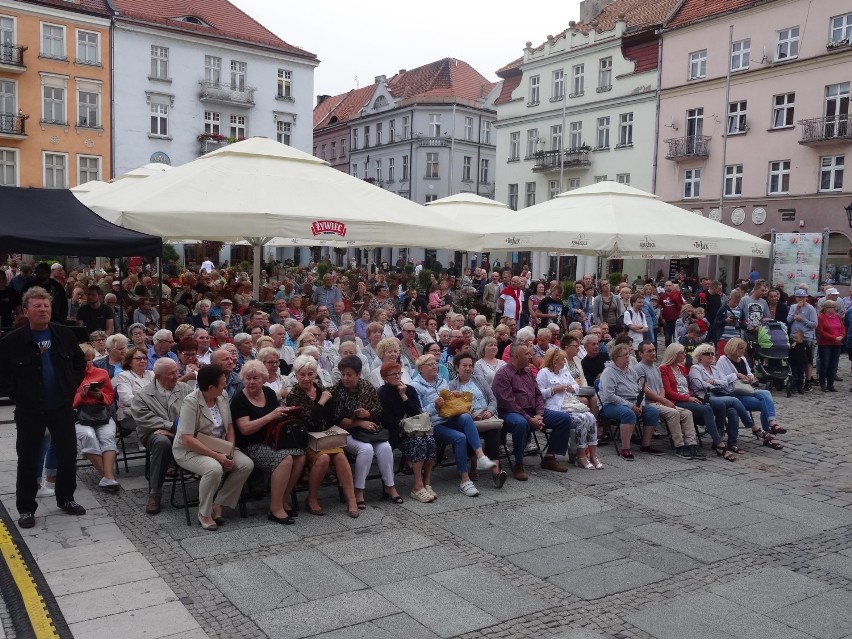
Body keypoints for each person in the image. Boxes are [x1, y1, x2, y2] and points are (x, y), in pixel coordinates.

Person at [0, 287, 87, 527]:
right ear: (26, 311)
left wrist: (71, 385)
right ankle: (26, 507)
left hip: (61, 406)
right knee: (27, 458)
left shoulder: (63, 334)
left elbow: (80, 362)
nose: (43, 310)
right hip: (30, 410)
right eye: (37, 306)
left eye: (46, 306)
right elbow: (3, 375)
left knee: (68, 454)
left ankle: (66, 498)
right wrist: (17, 393)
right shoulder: (12, 341)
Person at [173, 364, 254, 531]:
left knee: (246, 464)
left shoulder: (222, 395)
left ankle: (219, 503)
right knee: (214, 469)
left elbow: (230, 426)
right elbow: (187, 438)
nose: (225, 385)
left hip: (219, 445)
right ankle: (204, 513)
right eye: (223, 383)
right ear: (211, 387)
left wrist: (229, 451)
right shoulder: (191, 402)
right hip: (190, 450)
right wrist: (218, 457)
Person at [231, 361, 306, 525]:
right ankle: (275, 508)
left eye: (255, 378)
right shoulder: (239, 400)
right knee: (285, 458)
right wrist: (270, 416)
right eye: (248, 378)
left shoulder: (269, 393)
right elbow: (245, 429)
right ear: (243, 379)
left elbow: (277, 417)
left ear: (263, 379)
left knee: (300, 456)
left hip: (273, 439)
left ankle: (283, 499)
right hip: (251, 445)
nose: (251, 382)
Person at [412, 354, 496, 496]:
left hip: (448, 418)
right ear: (421, 369)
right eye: (430, 364)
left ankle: (481, 456)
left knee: (465, 417)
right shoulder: (415, 386)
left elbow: (448, 406)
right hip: (432, 425)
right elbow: (417, 413)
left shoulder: (442, 381)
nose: (435, 366)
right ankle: (465, 480)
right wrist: (434, 405)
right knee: (460, 437)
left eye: (435, 363)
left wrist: (453, 395)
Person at [285, 355, 359, 517]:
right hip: (306, 439)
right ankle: (312, 498)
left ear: (315, 374)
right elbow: (310, 420)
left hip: (325, 437)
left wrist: (324, 402)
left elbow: (331, 417)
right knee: (324, 458)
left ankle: (352, 499)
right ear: (296, 375)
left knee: (339, 456)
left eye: (310, 374)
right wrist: (322, 401)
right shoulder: (294, 395)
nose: (306, 378)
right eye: (302, 374)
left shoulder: (320, 390)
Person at [328, 356, 402, 507]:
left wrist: (367, 414)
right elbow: (336, 420)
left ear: (358, 374)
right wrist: (359, 422)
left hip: (368, 431)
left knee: (385, 447)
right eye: (343, 374)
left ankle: (390, 486)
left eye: (349, 374)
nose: (345, 378)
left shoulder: (367, 387)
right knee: (366, 450)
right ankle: (359, 490)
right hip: (345, 433)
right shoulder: (337, 391)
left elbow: (378, 411)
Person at [492, 342, 574, 479]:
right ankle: (519, 464)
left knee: (564, 419)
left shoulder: (528, 372)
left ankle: (549, 457)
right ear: (517, 356)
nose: (530, 356)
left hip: (533, 412)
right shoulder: (503, 374)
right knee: (521, 424)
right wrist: (530, 419)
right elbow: (509, 402)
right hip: (510, 413)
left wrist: (540, 414)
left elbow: (538, 394)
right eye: (526, 354)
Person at [130, 358, 190, 514]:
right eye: (171, 373)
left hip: (182, 431)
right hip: (153, 433)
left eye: (177, 371)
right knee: (162, 442)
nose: (176, 375)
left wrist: (175, 430)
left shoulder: (184, 389)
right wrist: (171, 427)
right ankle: (155, 492)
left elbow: (194, 412)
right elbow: (145, 420)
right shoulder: (143, 395)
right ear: (158, 376)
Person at [660, 343, 732, 460]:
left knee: (719, 406)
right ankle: (719, 443)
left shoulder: (681, 368)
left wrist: (693, 396)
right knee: (707, 409)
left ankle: (719, 438)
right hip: (676, 400)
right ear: (674, 354)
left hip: (688, 398)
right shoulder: (664, 369)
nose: (684, 355)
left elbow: (687, 388)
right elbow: (668, 392)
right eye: (682, 353)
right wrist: (688, 398)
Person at [377, 361, 437, 503]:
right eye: (393, 374)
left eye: (399, 373)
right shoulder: (382, 393)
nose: (397, 376)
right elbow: (386, 420)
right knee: (417, 441)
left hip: (416, 428)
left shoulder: (409, 390)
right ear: (385, 377)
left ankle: (426, 483)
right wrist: (403, 424)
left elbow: (417, 412)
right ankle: (417, 486)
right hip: (395, 432)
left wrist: (404, 397)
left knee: (430, 439)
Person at [634, 341, 703, 460]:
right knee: (673, 413)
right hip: (648, 402)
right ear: (640, 354)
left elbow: (662, 387)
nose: (653, 353)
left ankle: (691, 444)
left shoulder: (655, 367)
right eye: (649, 351)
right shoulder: (639, 368)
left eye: (654, 350)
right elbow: (644, 389)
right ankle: (679, 446)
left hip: (659, 401)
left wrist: (662, 398)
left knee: (687, 413)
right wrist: (662, 400)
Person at [450, 352, 508, 488]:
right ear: (457, 368)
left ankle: (495, 471)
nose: (468, 368)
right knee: (470, 427)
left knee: (493, 429)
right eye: (464, 365)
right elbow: (455, 408)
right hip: (469, 418)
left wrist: (489, 411)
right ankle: (474, 465)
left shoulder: (479, 380)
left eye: (470, 365)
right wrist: (471, 415)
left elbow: (492, 399)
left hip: (486, 415)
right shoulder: (452, 386)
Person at [536, 348, 600, 469]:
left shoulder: (564, 370)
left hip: (570, 402)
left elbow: (575, 385)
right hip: (555, 406)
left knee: (591, 417)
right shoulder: (543, 373)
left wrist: (572, 388)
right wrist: (554, 390)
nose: (564, 363)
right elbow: (538, 393)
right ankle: (580, 455)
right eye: (561, 360)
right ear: (554, 361)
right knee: (581, 419)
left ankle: (593, 455)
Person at [688, 343, 755, 456]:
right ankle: (752, 426)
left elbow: (724, 382)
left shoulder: (714, 368)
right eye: (706, 353)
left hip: (718, 395)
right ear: (700, 356)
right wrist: (714, 385)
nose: (710, 355)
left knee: (733, 412)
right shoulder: (696, 368)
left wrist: (713, 382)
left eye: (712, 353)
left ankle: (732, 442)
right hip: (705, 397)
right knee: (734, 401)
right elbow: (699, 384)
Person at [598, 342, 662, 461]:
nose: (628, 358)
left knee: (652, 411)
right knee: (628, 413)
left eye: (628, 354)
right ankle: (625, 448)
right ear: (617, 357)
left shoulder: (631, 371)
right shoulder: (609, 372)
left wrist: (641, 404)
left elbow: (640, 390)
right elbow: (609, 395)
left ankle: (646, 445)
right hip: (611, 404)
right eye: (625, 355)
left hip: (633, 402)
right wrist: (631, 406)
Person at [717, 338, 786, 445]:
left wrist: (750, 377)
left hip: (746, 390)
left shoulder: (743, 360)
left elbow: (749, 373)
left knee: (766, 394)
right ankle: (770, 434)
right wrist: (736, 375)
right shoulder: (722, 361)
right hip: (734, 394)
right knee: (766, 403)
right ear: (732, 348)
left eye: (743, 349)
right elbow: (720, 381)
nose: (742, 351)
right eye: (739, 349)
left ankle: (771, 425)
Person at [74, 343, 120, 492]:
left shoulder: (101, 373)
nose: (88, 363)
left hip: (101, 414)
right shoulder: (71, 375)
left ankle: (108, 478)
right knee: (88, 436)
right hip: (80, 416)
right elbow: (70, 403)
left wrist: (99, 395)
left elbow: (110, 398)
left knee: (107, 436)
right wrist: (82, 395)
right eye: (84, 360)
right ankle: (108, 477)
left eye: (90, 360)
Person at [114, 346, 155, 434]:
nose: (143, 361)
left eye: (144, 358)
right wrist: (151, 401)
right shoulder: (124, 376)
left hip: (153, 411)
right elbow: (127, 399)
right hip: (130, 416)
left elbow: (160, 393)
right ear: (129, 362)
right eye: (138, 359)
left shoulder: (151, 374)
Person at [816, 299, 845, 392]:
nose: (834, 309)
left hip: (837, 343)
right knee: (825, 364)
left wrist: (841, 336)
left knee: (833, 364)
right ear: (826, 308)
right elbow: (821, 331)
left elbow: (842, 328)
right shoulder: (821, 317)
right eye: (832, 307)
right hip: (825, 344)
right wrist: (833, 338)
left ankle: (830, 384)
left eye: (834, 307)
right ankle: (822, 383)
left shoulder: (837, 317)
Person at [658, 281, 684, 347]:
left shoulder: (677, 295)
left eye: (670, 285)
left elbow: (681, 306)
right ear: (664, 287)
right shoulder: (662, 296)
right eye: (667, 285)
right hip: (666, 320)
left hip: (676, 319)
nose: (668, 287)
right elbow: (660, 308)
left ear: (672, 286)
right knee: (667, 338)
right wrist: (661, 318)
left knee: (676, 337)